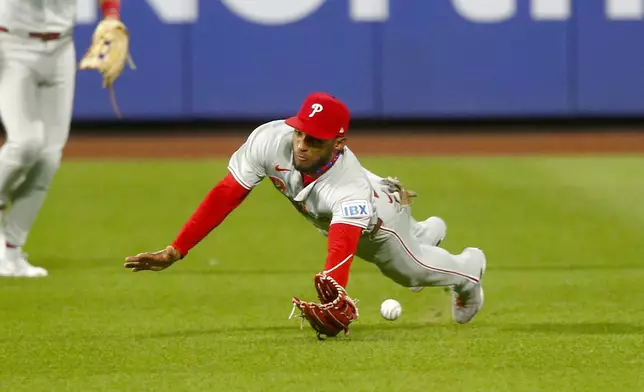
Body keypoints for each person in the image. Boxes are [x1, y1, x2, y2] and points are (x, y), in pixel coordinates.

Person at [124, 92, 487, 334]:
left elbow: (342, 243)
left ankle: (468, 270)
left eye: (314, 140)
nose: (301, 144)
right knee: (406, 244)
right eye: (300, 132)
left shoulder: (347, 188)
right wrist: (177, 248)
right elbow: (226, 194)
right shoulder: (270, 139)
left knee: (409, 273)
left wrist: (335, 293)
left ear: (339, 143)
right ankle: (425, 232)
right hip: (346, 205)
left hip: (377, 223)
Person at [0, 0, 130, 277]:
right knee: (25, 143)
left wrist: (110, 13)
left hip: (60, 48)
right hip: (11, 45)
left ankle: (11, 250)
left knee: (48, 157)